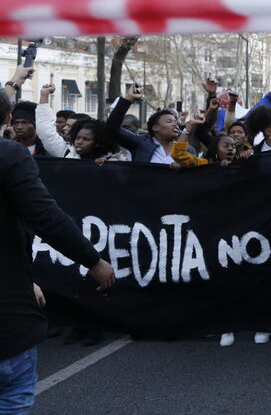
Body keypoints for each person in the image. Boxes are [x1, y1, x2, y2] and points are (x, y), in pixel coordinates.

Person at [0, 90, 116, 412]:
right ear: (8, 119)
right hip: (7, 323)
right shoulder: (10, 156)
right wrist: (93, 261)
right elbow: (46, 218)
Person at [107, 85, 189, 164]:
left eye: (175, 121)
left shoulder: (188, 149)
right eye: (169, 121)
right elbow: (111, 128)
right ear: (155, 127)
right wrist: (128, 98)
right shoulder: (140, 144)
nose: (175, 124)